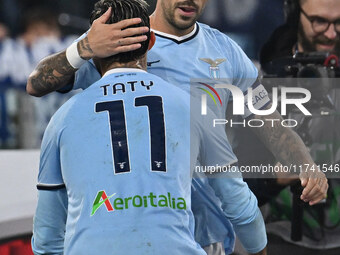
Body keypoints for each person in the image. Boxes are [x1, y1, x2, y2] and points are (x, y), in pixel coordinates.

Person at [27, 0, 328, 254]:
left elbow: (269, 121)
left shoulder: (227, 52)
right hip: (136, 224)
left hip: (206, 232)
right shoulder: (119, 37)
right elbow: (37, 83)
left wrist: (305, 165)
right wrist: (85, 47)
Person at [258, 0, 340, 254]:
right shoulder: (261, 78)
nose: (331, 33)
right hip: (279, 233)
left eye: (339, 22)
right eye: (320, 21)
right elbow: (229, 175)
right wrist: (275, 177)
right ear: (294, 14)